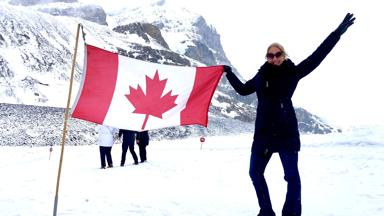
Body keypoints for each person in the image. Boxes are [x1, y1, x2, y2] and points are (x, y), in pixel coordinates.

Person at [223, 13, 355, 216]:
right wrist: (228, 73)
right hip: (264, 134)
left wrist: (336, 34)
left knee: (292, 177)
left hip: (286, 133)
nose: (274, 58)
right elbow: (242, 90)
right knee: (255, 173)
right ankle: (266, 211)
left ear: (284, 55)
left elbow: (317, 56)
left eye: (278, 54)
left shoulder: (292, 72)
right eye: (270, 55)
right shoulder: (260, 77)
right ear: (266, 58)